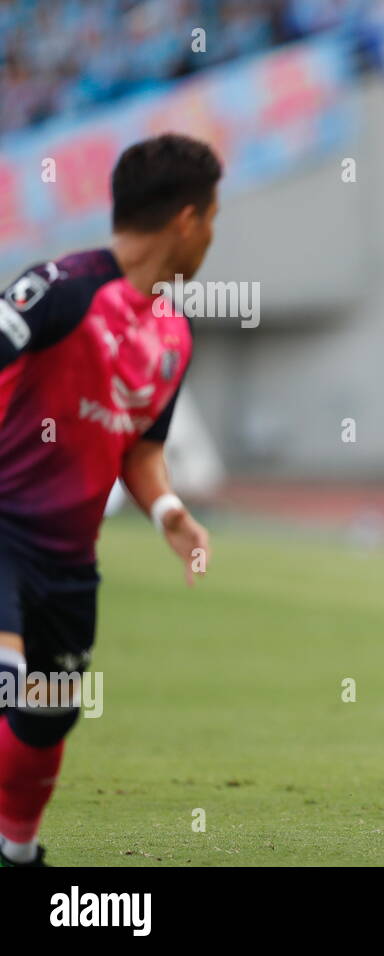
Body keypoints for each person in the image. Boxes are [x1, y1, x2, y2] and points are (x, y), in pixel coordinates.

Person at [0, 133, 219, 866]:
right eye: (213, 218)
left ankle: (19, 852)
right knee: (6, 676)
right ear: (188, 220)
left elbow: (140, 447)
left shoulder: (173, 335)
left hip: (67, 561)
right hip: (4, 527)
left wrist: (167, 511)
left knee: (47, 711)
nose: (213, 236)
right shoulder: (59, 288)